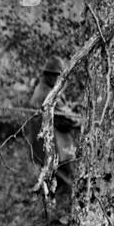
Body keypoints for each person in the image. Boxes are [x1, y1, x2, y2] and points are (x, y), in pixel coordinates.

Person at [26, 55, 80, 205]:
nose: (59, 80)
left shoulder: (45, 89)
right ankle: (63, 206)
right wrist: (80, 120)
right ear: (50, 75)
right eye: (58, 76)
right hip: (55, 146)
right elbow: (65, 118)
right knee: (66, 178)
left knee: (54, 179)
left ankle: (55, 203)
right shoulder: (46, 93)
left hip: (46, 144)